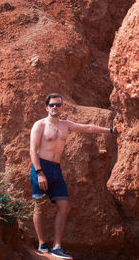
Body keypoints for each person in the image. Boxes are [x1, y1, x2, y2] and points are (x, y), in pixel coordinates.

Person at [30, 93, 115, 259]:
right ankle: (42, 244)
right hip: (41, 167)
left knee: (64, 206)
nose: (55, 107)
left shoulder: (65, 124)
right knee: (39, 205)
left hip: (56, 169)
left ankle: (57, 246)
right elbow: (32, 150)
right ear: (46, 107)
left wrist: (110, 130)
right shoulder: (39, 125)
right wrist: (39, 173)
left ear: (62, 107)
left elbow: (87, 128)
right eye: (52, 105)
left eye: (58, 105)